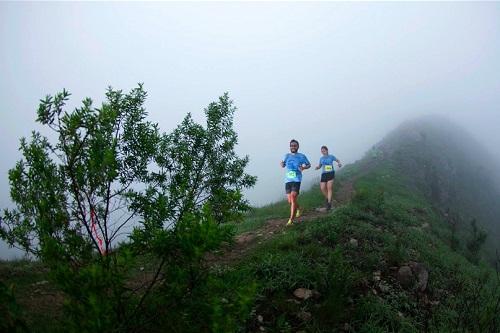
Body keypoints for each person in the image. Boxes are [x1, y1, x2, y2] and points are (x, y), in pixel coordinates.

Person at [281, 139, 311, 226]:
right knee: (290, 201)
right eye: (292, 146)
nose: (293, 147)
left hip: (297, 179)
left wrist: (304, 168)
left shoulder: (302, 156)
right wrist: (282, 164)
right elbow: (283, 164)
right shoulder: (286, 156)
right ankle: (299, 208)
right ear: (290, 147)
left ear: (298, 147)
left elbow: (309, 165)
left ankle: (291, 220)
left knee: (293, 198)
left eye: (295, 145)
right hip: (288, 180)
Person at [315, 145, 342, 210]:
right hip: (324, 174)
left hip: (331, 173)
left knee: (329, 187)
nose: (323, 152)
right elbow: (320, 165)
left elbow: (337, 160)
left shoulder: (331, 156)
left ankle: (329, 203)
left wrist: (339, 163)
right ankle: (329, 198)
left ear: (327, 150)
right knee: (322, 188)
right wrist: (317, 167)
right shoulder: (321, 158)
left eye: (324, 151)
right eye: (322, 151)